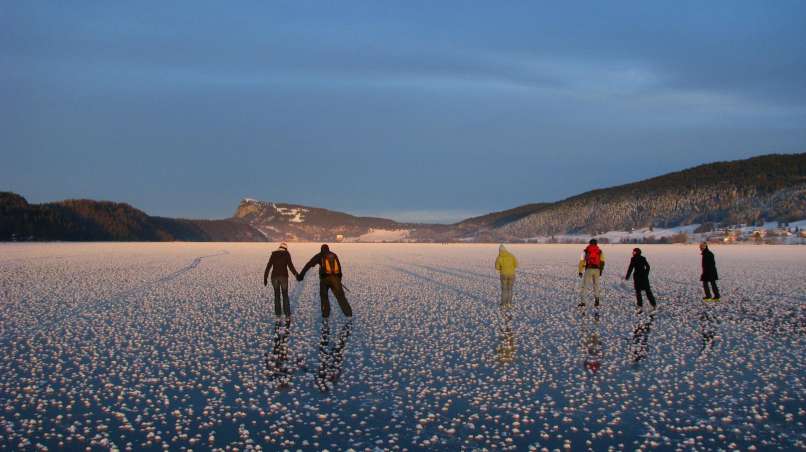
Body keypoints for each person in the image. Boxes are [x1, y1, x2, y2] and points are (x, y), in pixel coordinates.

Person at [298, 244, 353, 318]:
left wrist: (301, 275)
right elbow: (339, 268)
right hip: (336, 279)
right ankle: (349, 314)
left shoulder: (320, 255)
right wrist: (338, 279)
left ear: (321, 249)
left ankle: (325, 315)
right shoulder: (334, 255)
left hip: (324, 279)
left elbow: (309, 264)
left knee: (324, 297)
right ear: (328, 249)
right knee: (341, 297)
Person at [263, 242, 299, 317]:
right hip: (284, 277)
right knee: (285, 295)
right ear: (285, 248)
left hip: (274, 277)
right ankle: (287, 313)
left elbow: (268, 266)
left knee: (277, 295)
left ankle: (278, 313)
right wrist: (296, 275)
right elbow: (290, 266)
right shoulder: (286, 254)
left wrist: (265, 277)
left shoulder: (274, 254)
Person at [625, 247, 657, 313]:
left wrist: (627, 276)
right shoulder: (641, 258)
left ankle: (644, 305)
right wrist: (646, 273)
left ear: (637, 252)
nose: (633, 253)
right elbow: (647, 267)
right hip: (641, 277)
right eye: (633, 252)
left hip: (639, 277)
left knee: (642, 292)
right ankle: (651, 304)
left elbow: (631, 268)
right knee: (644, 291)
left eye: (634, 252)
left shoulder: (635, 259)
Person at [578, 239, 605, 307]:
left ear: (589, 243)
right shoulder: (600, 251)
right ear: (596, 244)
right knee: (596, 285)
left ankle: (583, 302)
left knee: (585, 286)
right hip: (597, 270)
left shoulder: (585, 251)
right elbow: (602, 261)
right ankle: (597, 300)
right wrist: (601, 271)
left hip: (589, 269)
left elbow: (581, 261)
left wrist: (580, 271)